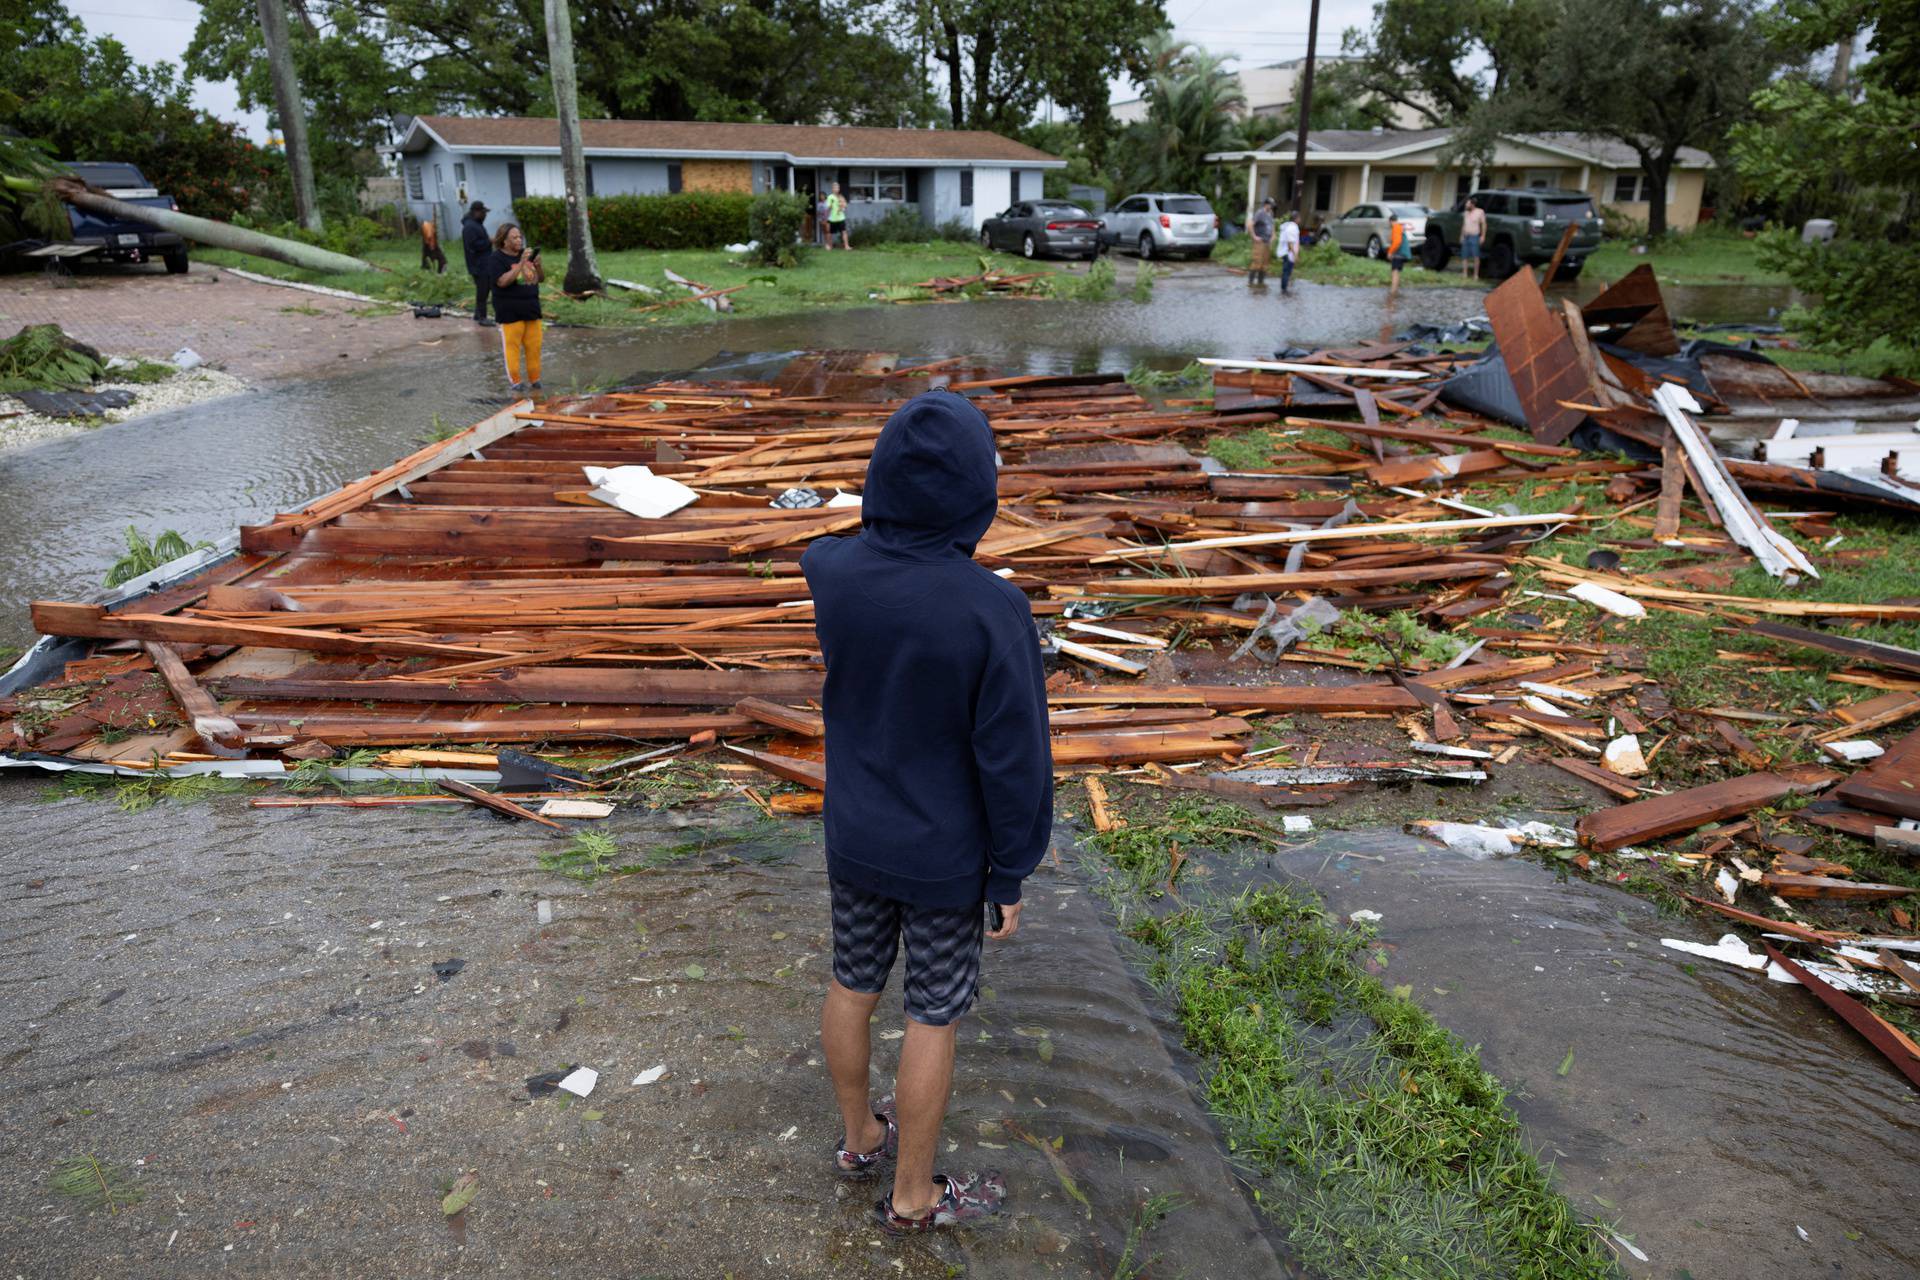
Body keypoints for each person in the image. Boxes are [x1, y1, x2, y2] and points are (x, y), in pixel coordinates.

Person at [801, 389, 1053, 1235]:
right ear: (977, 499)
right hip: (944, 856)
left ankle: (858, 1137)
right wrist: (1011, 868)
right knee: (931, 1013)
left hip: (855, 835)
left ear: (880, 482)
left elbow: (824, 545)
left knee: (852, 982)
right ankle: (913, 1197)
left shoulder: (831, 572)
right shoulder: (992, 611)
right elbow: (1012, 759)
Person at [484, 223, 544, 395]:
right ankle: (516, 383)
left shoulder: (526, 254)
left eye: (520, 237)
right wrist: (521, 263)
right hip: (509, 311)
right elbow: (502, 282)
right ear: (504, 241)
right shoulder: (496, 259)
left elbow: (539, 279)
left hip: (531, 308)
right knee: (513, 347)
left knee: (534, 347)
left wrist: (538, 266)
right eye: (514, 238)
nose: (519, 240)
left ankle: (535, 381)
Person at [461, 201, 495, 326]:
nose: (485, 215)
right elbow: (473, 246)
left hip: (483, 263)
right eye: (483, 213)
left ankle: (477, 315)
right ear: (476, 212)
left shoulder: (476, 224)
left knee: (484, 290)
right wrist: (489, 241)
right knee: (483, 291)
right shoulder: (470, 227)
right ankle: (482, 317)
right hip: (478, 265)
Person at [1247, 196, 1275, 286]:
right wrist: (1254, 236)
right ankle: (1250, 283)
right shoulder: (1260, 213)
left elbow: (1272, 226)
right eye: (1271, 205)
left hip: (1267, 242)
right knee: (1257, 262)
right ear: (1266, 204)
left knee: (1265, 264)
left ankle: (1260, 283)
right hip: (1260, 242)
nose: (1272, 207)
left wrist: (1273, 236)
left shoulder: (1270, 213)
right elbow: (1250, 225)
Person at [1277, 208, 1301, 295]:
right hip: (1288, 253)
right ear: (1296, 218)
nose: (1300, 219)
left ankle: (1284, 287)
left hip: (1287, 252)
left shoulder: (1289, 226)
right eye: (1299, 218)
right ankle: (1284, 289)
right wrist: (1295, 255)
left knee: (1287, 271)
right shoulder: (1292, 228)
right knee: (1286, 271)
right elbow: (1290, 243)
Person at [1386, 209, 1410, 298]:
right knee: (1397, 272)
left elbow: (1397, 242)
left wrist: (1390, 252)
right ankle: (1395, 291)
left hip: (1399, 254)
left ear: (1391, 221)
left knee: (1394, 272)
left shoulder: (1396, 227)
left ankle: (1392, 292)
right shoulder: (1400, 227)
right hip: (1403, 254)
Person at [1461, 197, 1486, 281]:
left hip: (1474, 236)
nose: (1466, 205)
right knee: (1464, 255)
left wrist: (1482, 236)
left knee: (1476, 256)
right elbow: (1464, 224)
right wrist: (1461, 235)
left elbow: (1483, 224)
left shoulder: (1480, 212)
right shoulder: (1466, 213)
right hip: (1466, 236)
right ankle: (1465, 273)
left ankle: (1476, 275)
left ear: (1472, 204)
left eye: (1467, 204)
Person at [825, 181, 849, 251]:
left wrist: (843, 206)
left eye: (838, 187)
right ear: (832, 189)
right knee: (830, 233)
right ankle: (830, 246)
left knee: (844, 231)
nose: (836, 189)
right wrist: (831, 205)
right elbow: (828, 208)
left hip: (841, 217)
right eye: (835, 187)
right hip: (832, 218)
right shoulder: (830, 197)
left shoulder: (841, 196)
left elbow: (845, 205)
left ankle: (846, 246)